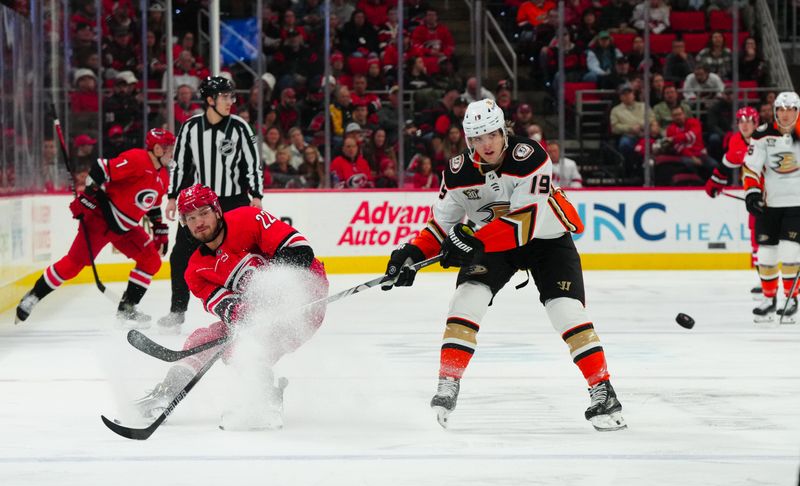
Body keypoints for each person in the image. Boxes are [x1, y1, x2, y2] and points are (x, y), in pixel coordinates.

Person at [381, 98, 626, 431]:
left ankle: (602, 389)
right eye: (478, 138)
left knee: (566, 310)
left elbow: (525, 221)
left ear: (503, 131)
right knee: (466, 298)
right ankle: (447, 383)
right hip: (493, 243)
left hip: (546, 241)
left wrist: (471, 241)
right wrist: (411, 253)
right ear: (468, 141)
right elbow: (439, 227)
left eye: (492, 135)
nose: (487, 144)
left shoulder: (532, 157)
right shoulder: (456, 173)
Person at [135, 184, 329, 430]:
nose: (199, 222)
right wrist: (248, 314)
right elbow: (232, 310)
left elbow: (301, 253)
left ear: (217, 211)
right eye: (190, 218)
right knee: (212, 340)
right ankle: (168, 392)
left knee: (247, 343)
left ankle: (264, 397)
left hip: (304, 303)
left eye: (203, 213)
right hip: (262, 318)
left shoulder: (248, 218)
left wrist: (268, 295)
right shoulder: (195, 272)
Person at [15, 128, 175, 327]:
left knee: (151, 260)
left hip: (125, 229)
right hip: (100, 220)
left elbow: (152, 202)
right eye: (170, 148)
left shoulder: (163, 175)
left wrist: (158, 226)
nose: (172, 153)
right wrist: (88, 198)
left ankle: (127, 309)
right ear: (158, 149)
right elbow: (101, 168)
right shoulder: (137, 159)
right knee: (73, 264)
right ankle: (33, 296)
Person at [158, 75, 264, 334]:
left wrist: (257, 196)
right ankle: (177, 311)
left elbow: (253, 165)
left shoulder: (240, 127)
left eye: (231, 96)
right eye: (225, 97)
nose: (231, 102)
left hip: (233, 202)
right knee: (180, 255)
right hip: (199, 205)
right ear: (210, 100)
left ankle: (256, 309)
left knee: (243, 254)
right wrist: (172, 197)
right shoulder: (191, 127)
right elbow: (180, 165)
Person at [743, 91, 800, 322]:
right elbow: (751, 167)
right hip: (769, 205)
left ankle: (791, 298)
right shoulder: (762, 134)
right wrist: (752, 193)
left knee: (789, 251)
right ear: (775, 110)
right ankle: (768, 300)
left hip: (797, 205)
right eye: (781, 110)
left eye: (791, 110)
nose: (786, 115)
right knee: (765, 253)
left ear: (797, 111)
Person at [706, 106, 760, 275]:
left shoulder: (766, 139)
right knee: (757, 236)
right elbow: (727, 164)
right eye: (741, 121)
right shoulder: (736, 141)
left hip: (776, 193)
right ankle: (764, 281)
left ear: (756, 123)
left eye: (749, 121)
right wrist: (715, 183)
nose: (744, 125)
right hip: (755, 195)